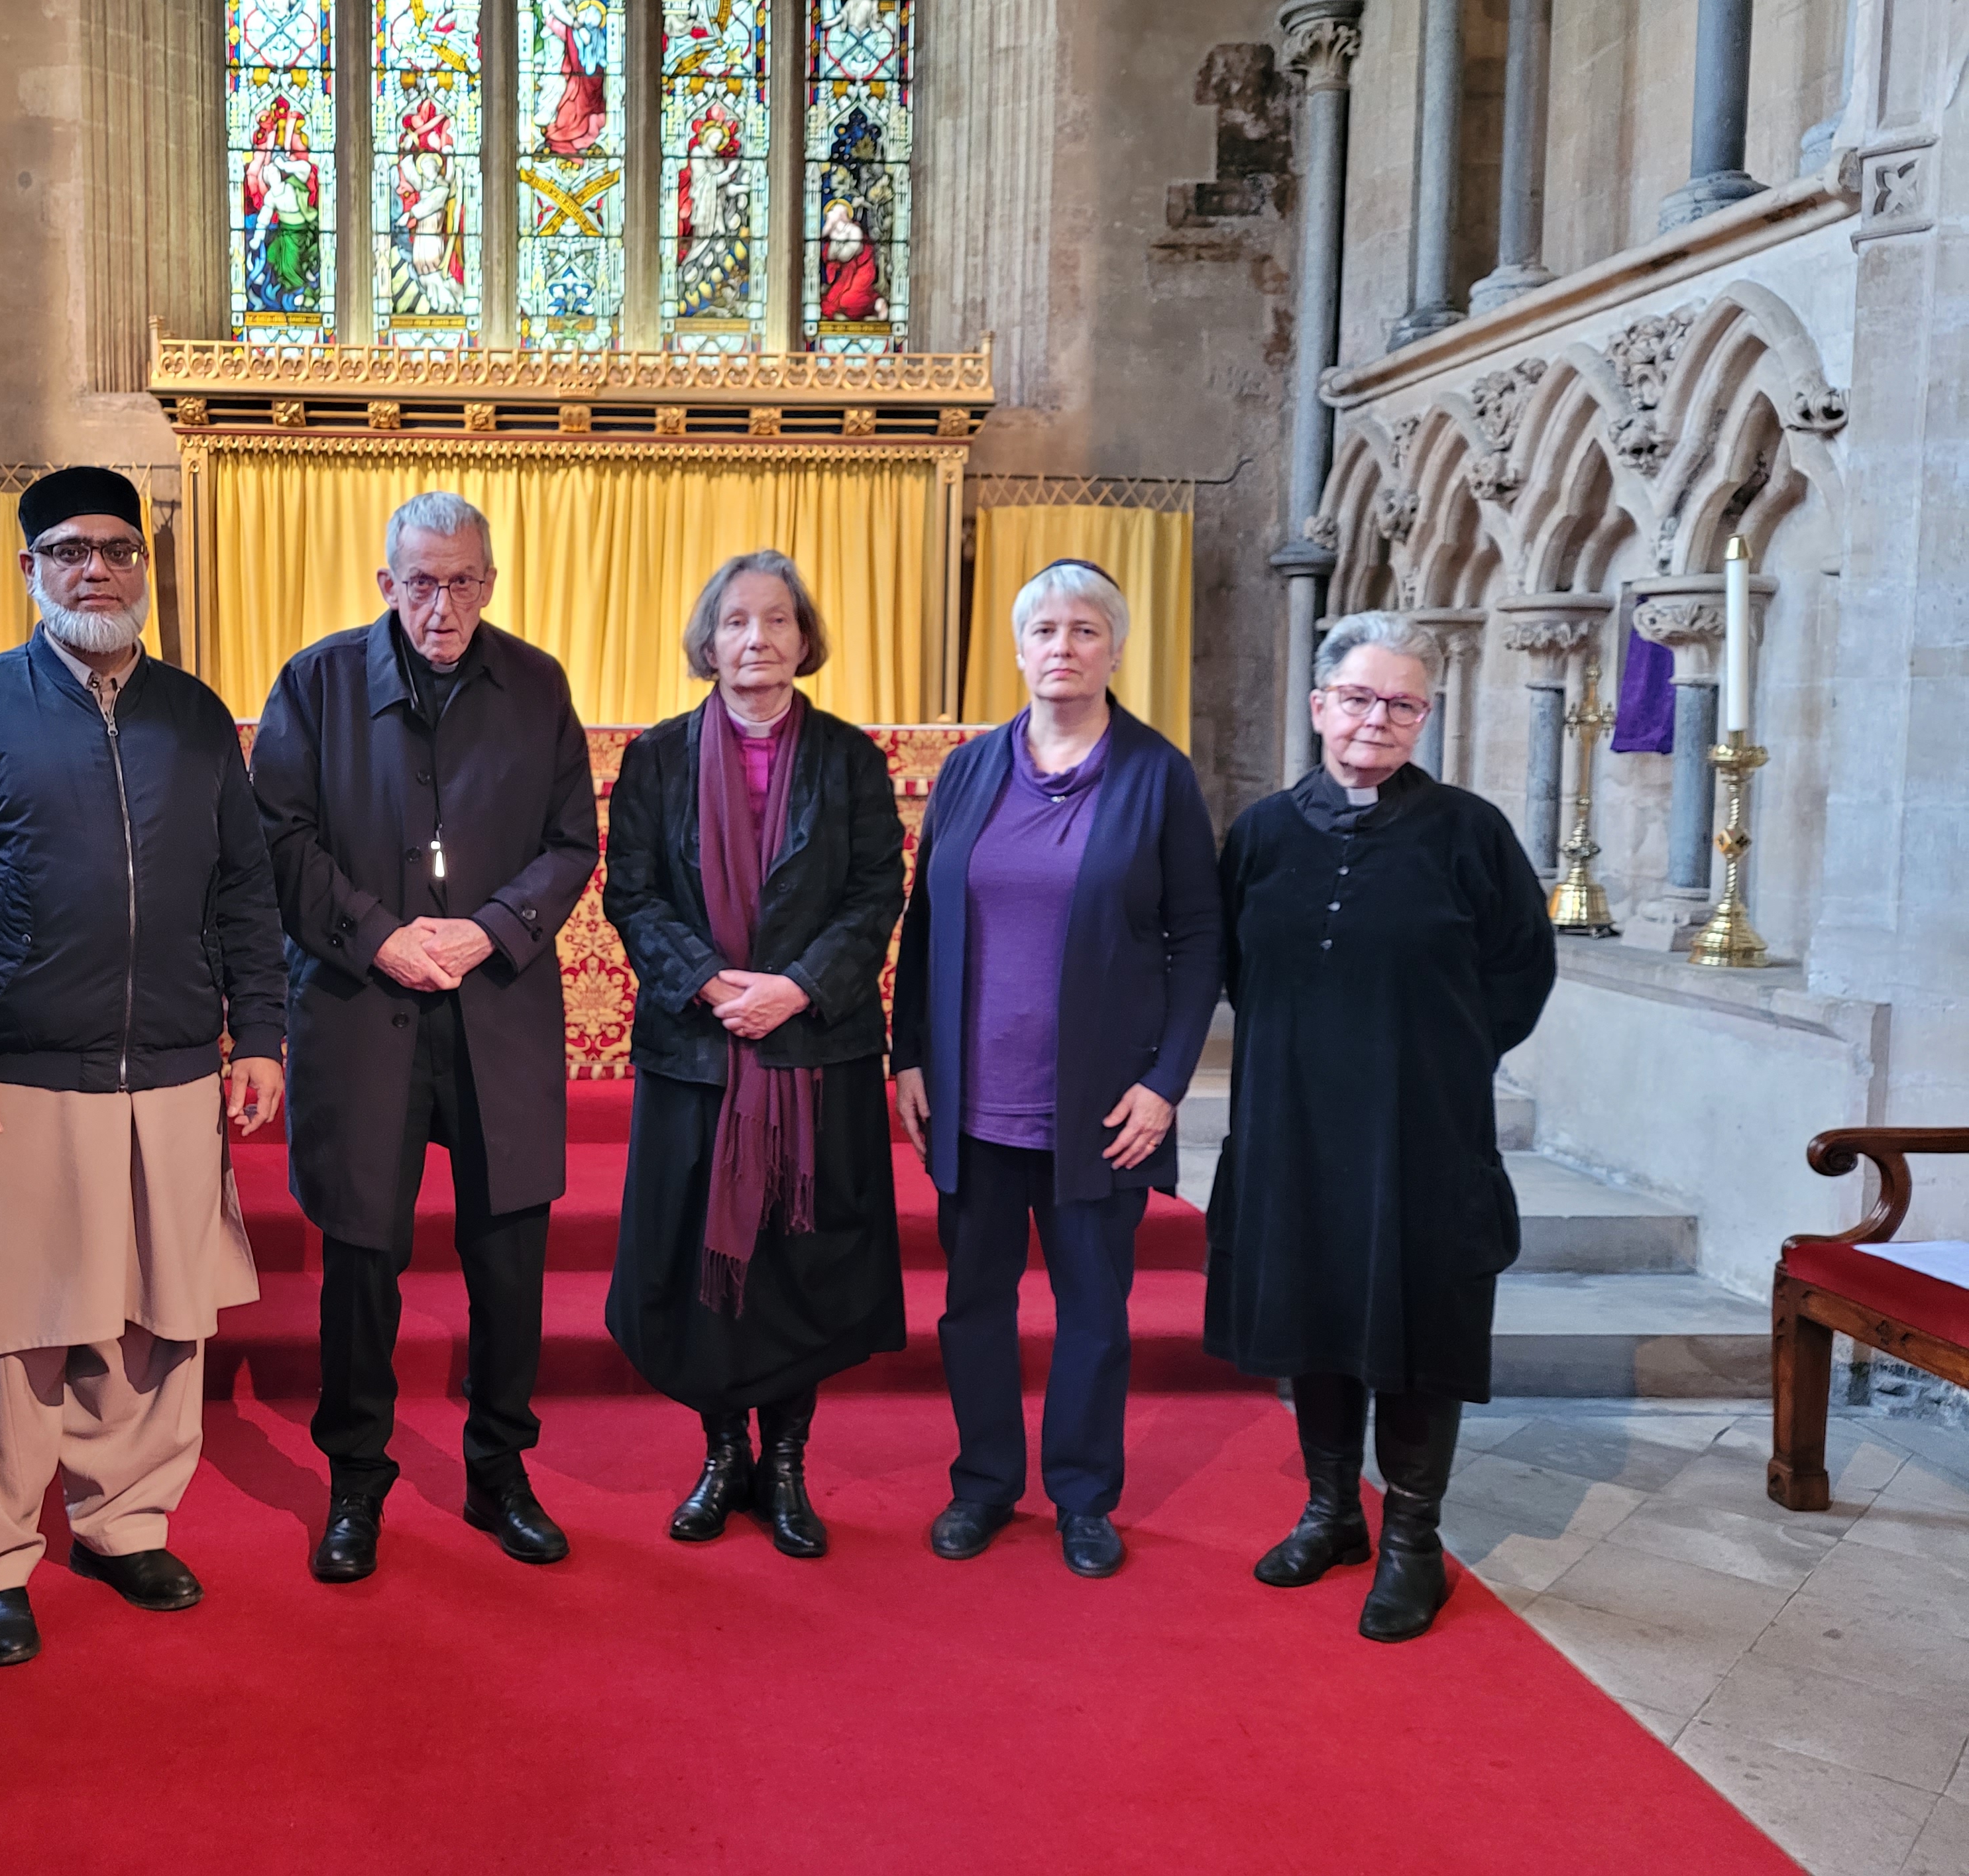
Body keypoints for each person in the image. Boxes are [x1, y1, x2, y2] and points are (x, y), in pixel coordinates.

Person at [0, 466, 286, 1668]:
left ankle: (126, 1523)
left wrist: (263, 1034)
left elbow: (245, 888)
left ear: (145, 566)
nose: (97, 570)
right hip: (17, 1072)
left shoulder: (191, 713)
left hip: (172, 1064)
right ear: (29, 570)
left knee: (157, 1318)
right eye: (69, 551)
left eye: (118, 549)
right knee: (9, 1329)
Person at [251, 491, 598, 1583]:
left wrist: (491, 931)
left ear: (489, 584)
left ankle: (501, 1471)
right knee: (362, 1260)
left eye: (462, 582)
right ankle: (357, 1480)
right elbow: (281, 840)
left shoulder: (537, 685)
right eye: (420, 581)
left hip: (494, 1005)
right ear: (385, 583)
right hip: (364, 1006)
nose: (440, 605)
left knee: (509, 1259)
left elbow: (569, 841)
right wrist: (378, 937)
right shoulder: (313, 683)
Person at [1207, 610, 1557, 1643]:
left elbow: (1520, 971)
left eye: (1403, 702)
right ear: (1319, 707)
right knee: (1314, 1310)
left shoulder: (1470, 831)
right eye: (1359, 697)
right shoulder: (1263, 833)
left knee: (1417, 1324)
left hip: (1421, 1131)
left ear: (1426, 715)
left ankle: (1411, 1538)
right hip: (1295, 1124)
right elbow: (1235, 964)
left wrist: (1441, 1061)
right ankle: (1330, 1512)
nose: (1378, 718)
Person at [889, 560, 1221, 1578]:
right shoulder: (971, 769)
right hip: (973, 1102)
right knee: (974, 1306)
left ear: (1115, 650)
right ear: (1021, 648)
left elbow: (1200, 937)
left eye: (1085, 632)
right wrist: (908, 1053)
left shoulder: (1156, 774)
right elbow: (927, 919)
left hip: (1098, 1106)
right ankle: (984, 1486)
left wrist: (1167, 1082)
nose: (1064, 649)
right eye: (1046, 631)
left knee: (1092, 1313)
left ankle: (1083, 1496)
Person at [604, 553, 907, 1557]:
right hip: (698, 1054)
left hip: (813, 1052)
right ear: (710, 640)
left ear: (804, 639)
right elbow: (632, 894)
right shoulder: (655, 758)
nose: (757, 641)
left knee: (798, 1260)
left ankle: (786, 1465)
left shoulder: (852, 761)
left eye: (777, 622)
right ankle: (721, 1452)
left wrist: (798, 988)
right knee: (703, 1259)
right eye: (737, 622)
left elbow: (876, 896)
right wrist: (708, 982)